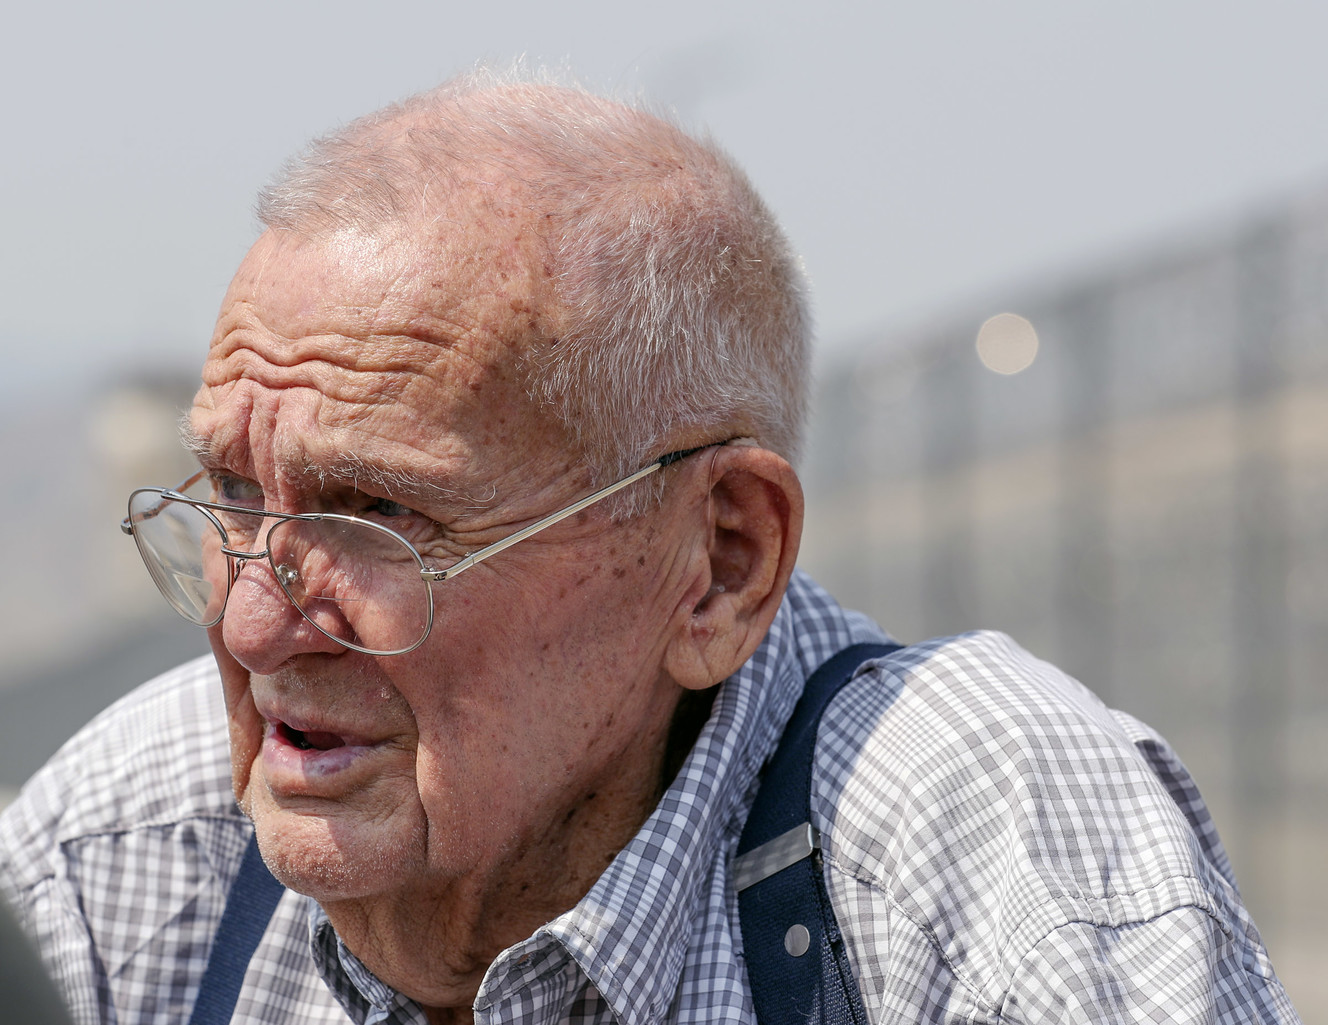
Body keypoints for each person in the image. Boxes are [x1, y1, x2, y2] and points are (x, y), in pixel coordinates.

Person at [0, 71, 1300, 1025]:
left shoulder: (950, 827)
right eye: (233, 496)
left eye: (380, 518)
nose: (251, 621)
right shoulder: (144, 841)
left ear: (723, 560)